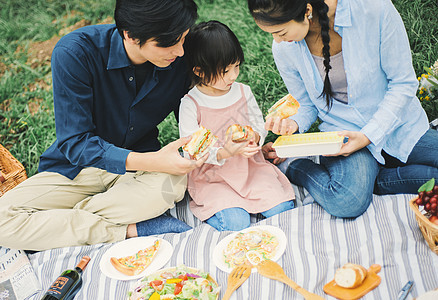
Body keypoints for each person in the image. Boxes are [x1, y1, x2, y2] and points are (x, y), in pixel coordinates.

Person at [0, 0, 203, 251]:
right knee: (2, 221)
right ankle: (127, 229)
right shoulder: (76, 53)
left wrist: (238, 145)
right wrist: (154, 162)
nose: (181, 51)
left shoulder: (179, 59)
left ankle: (59, 223)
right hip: (77, 168)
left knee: (173, 185)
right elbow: (75, 143)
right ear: (130, 35)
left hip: (139, 168)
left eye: (183, 39)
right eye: (170, 43)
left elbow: (198, 117)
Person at [247, 0, 438, 218]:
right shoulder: (285, 48)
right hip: (342, 134)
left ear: (307, 11)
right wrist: (295, 123)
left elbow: (403, 84)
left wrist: (367, 136)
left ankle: (374, 179)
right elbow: (307, 103)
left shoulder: (374, 9)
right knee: (347, 201)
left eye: (280, 32)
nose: (277, 40)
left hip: (397, 124)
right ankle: (295, 167)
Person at [179, 21, 295, 231]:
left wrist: (256, 140)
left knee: (282, 209)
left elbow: (258, 125)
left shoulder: (242, 91)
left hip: (249, 168)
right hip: (213, 176)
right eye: (225, 70)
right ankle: (228, 209)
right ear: (200, 71)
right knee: (235, 223)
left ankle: (258, 201)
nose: (233, 75)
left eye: (236, 67)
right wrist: (224, 152)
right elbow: (193, 152)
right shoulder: (191, 104)